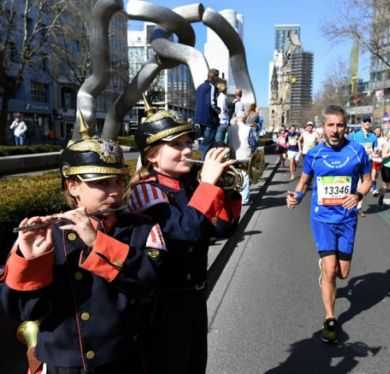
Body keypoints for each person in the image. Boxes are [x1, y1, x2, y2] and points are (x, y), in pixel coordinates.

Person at [1, 117, 166, 374]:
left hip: (123, 360)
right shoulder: (48, 234)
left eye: (118, 181)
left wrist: (97, 242)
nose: (115, 191)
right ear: (73, 186)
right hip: (62, 364)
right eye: (101, 183)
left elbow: (151, 283)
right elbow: (21, 310)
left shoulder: (142, 228)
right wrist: (30, 260)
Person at [130, 105, 242, 374]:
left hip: (193, 296)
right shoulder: (146, 192)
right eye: (177, 145)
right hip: (163, 304)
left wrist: (225, 190)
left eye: (189, 142)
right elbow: (182, 234)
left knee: (195, 365)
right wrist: (207, 186)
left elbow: (222, 230)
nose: (188, 150)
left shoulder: (190, 185)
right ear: (153, 156)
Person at [287, 105, 371, 344]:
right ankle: (330, 318)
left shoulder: (357, 152)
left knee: (343, 273)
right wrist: (296, 196)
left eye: (340, 125)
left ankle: (327, 270)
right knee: (331, 269)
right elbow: (303, 182)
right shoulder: (314, 154)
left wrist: (358, 195)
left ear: (346, 126)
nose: (335, 130)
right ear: (323, 127)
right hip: (322, 218)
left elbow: (367, 180)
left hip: (347, 219)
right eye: (330, 125)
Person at [349, 116, 377, 216]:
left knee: (365, 185)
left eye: (369, 121)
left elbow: (375, 149)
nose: (367, 123)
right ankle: (353, 204)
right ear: (361, 123)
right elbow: (348, 147)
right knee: (356, 184)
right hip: (355, 163)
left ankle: (358, 207)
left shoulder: (373, 137)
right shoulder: (354, 135)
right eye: (365, 121)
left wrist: (375, 152)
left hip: (367, 163)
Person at [228, 110, 254, 205]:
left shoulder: (230, 129)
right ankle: (245, 199)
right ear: (245, 118)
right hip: (245, 155)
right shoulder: (248, 129)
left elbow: (228, 141)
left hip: (234, 155)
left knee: (236, 176)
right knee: (245, 176)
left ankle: (237, 197)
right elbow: (253, 143)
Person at [194, 69, 220, 156]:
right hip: (209, 119)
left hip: (199, 118)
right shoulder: (211, 87)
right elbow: (211, 103)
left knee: (202, 140)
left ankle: (200, 158)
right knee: (207, 142)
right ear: (215, 77)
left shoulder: (200, 86)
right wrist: (218, 110)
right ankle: (202, 161)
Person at [371, 127, 386, 196]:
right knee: (373, 175)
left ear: (380, 132)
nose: (377, 132)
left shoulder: (383, 140)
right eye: (376, 131)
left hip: (380, 160)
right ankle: (374, 189)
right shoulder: (372, 138)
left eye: (378, 131)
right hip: (373, 159)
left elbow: (385, 149)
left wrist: (381, 152)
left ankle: (372, 185)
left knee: (376, 175)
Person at [214, 79, 230, 143]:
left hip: (220, 118)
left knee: (219, 138)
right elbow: (224, 108)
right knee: (221, 139)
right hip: (223, 119)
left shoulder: (218, 97)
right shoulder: (223, 97)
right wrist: (227, 110)